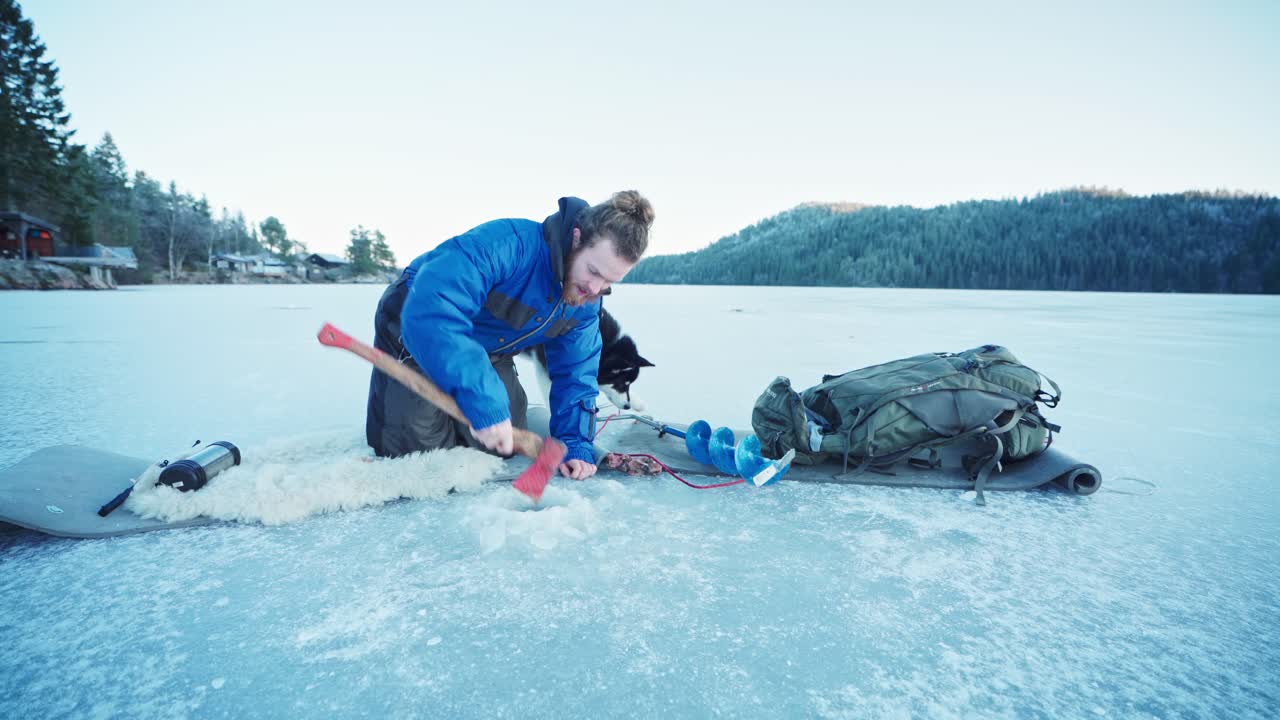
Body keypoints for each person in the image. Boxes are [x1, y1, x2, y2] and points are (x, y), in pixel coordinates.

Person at [365, 191, 654, 480]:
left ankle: (464, 396)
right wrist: (484, 400)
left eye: (608, 282)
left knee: (503, 443)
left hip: (490, 346)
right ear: (576, 239)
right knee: (417, 456)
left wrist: (576, 444)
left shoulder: (586, 300)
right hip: (417, 324)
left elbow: (576, 374)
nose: (594, 288)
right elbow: (434, 306)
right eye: (593, 271)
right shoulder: (508, 245)